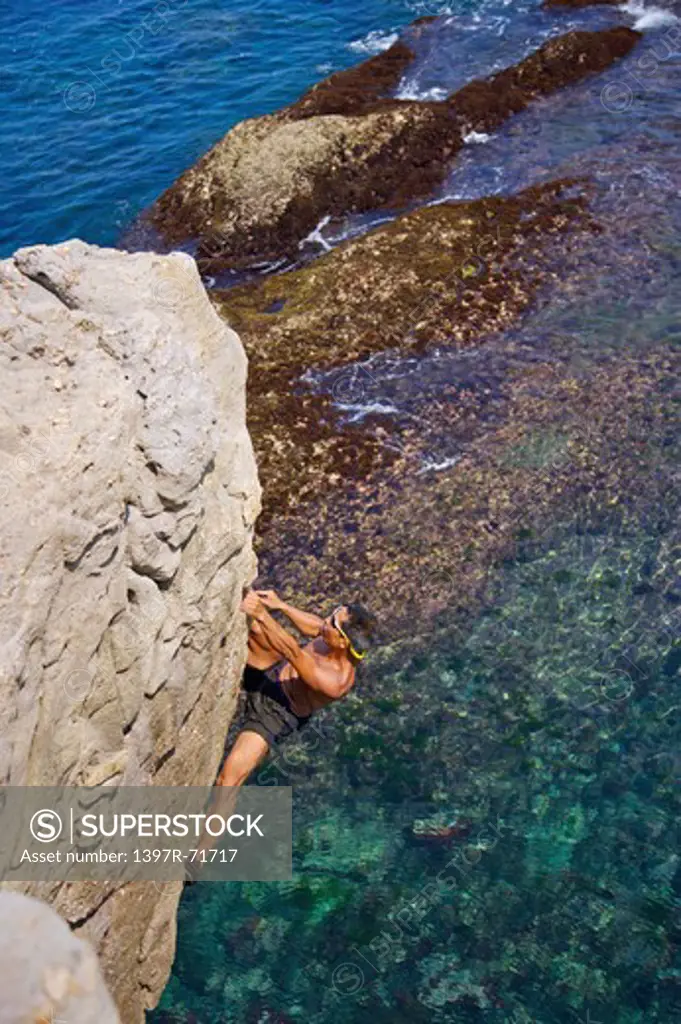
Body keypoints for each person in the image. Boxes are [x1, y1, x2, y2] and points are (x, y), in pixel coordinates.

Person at [216, 589, 376, 788]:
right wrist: (281, 605)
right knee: (253, 626)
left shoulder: (336, 682)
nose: (325, 620)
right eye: (332, 613)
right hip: (273, 672)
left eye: (332, 622)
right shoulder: (332, 636)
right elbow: (314, 627)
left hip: (277, 713)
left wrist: (262, 614)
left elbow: (293, 652)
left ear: (344, 641)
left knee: (228, 781)